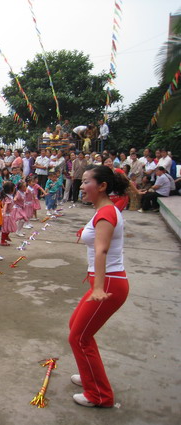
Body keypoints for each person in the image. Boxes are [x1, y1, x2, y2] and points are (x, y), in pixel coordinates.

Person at [70, 165, 130, 408]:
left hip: (108, 284)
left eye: (86, 182)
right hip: (107, 282)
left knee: (79, 337)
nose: (82, 187)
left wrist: (97, 287)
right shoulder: (103, 210)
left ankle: (100, 396)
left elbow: (102, 249)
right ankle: (89, 377)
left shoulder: (107, 212)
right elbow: (95, 237)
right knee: (76, 328)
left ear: (102, 186)